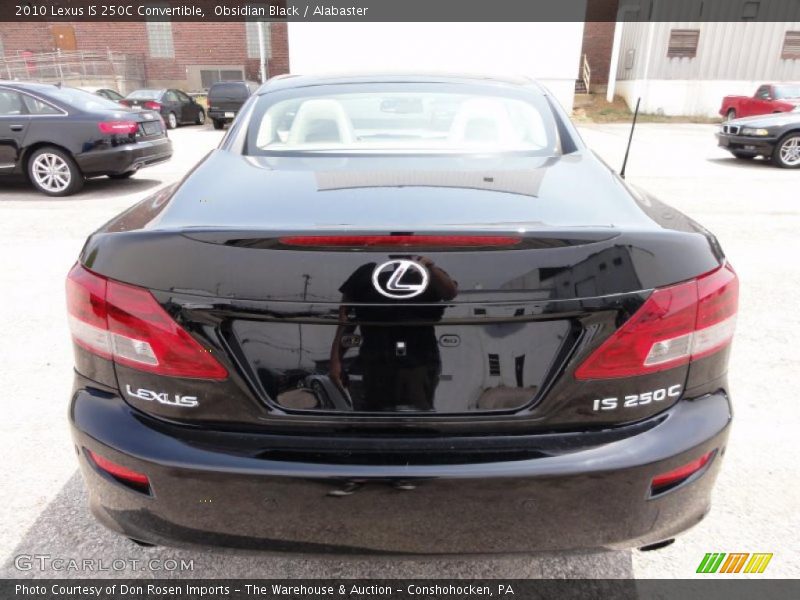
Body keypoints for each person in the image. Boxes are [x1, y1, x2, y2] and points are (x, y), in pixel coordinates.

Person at [329, 256, 457, 411]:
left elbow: (450, 292)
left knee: (419, 413)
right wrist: (336, 360)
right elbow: (346, 317)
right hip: (375, 361)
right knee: (374, 414)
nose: (401, 243)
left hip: (419, 361)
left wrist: (428, 266)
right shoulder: (365, 272)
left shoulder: (428, 274)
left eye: (406, 236)